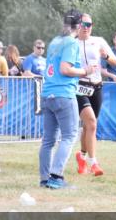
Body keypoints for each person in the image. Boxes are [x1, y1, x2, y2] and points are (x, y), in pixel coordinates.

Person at [39, 10, 95, 190]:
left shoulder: (55, 41)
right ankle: (56, 177)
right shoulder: (71, 42)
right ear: (78, 26)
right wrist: (85, 71)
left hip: (47, 94)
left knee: (48, 140)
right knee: (69, 136)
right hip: (63, 94)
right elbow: (65, 69)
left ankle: (44, 179)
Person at [73, 13, 116, 177]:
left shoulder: (98, 41)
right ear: (78, 25)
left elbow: (114, 61)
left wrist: (104, 55)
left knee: (88, 126)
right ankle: (94, 163)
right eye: (83, 24)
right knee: (91, 123)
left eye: (89, 24)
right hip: (79, 87)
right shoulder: (72, 43)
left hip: (97, 87)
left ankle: (82, 156)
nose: (86, 27)